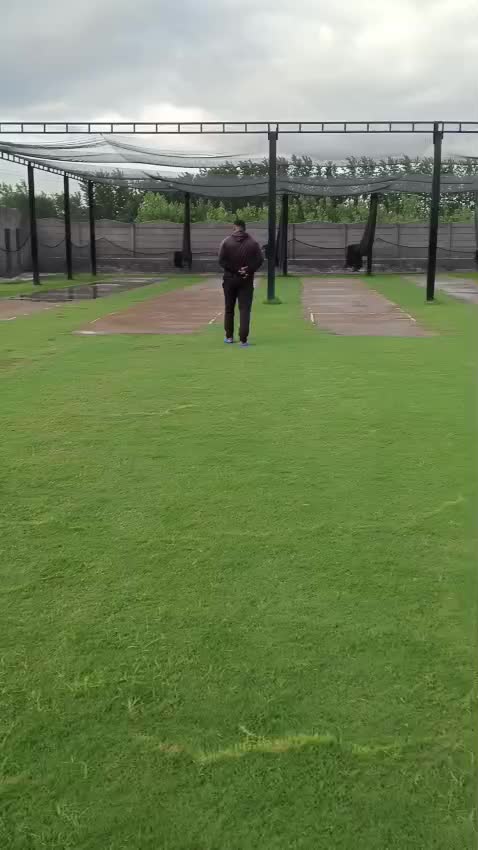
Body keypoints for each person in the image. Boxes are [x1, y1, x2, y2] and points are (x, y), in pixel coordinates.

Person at [218, 220, 263, 347]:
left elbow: (221, 261)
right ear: (244, 228)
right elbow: (260, 260)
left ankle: (229, 337)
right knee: (244, 310)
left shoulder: (226, 242)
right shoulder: (253, 243)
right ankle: (243, 340)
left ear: (234, 227)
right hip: (246, 280)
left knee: (229, 309)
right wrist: (248, 269)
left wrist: (236, 270)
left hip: (229, 279)